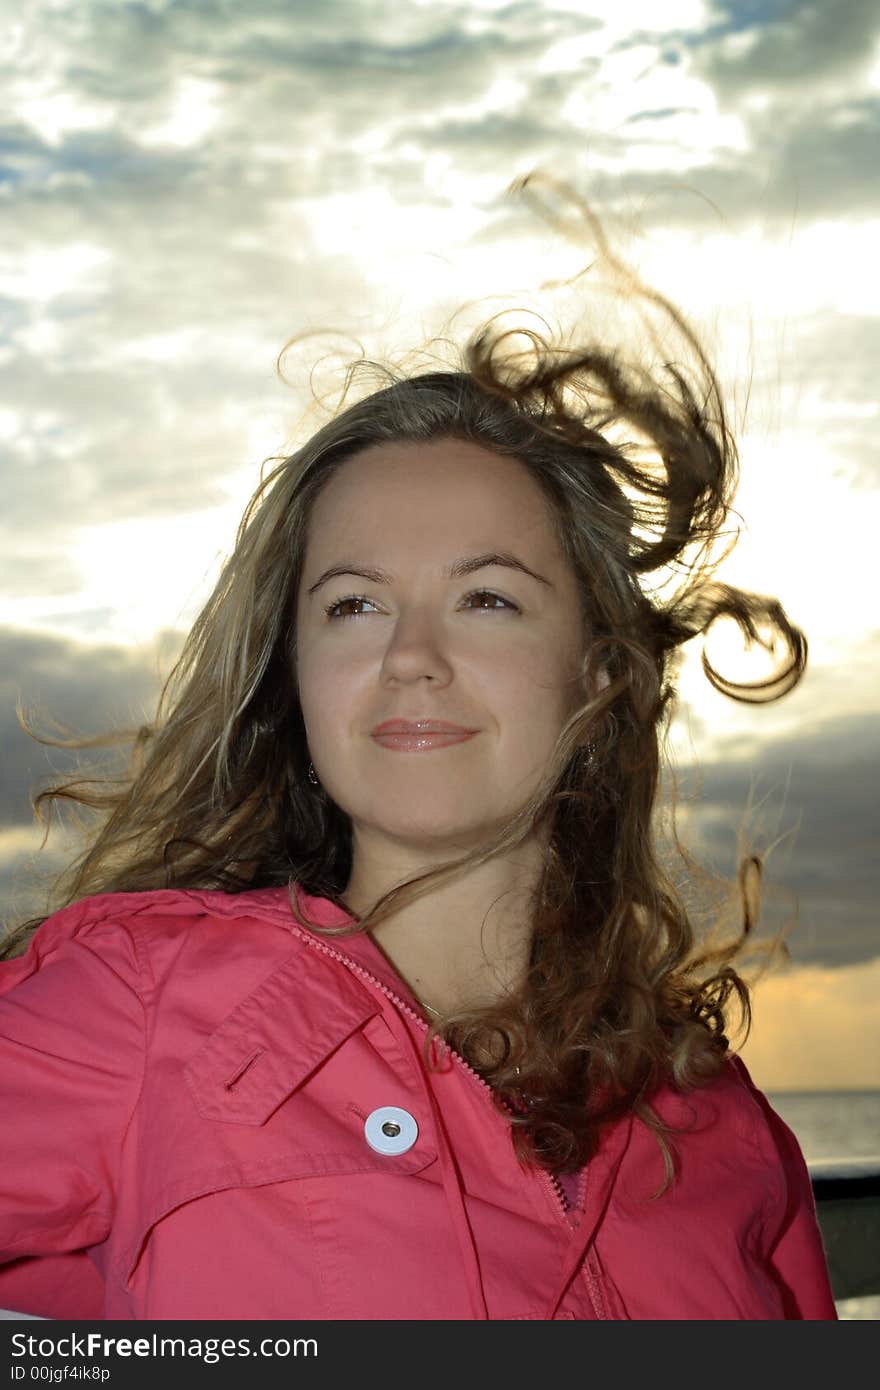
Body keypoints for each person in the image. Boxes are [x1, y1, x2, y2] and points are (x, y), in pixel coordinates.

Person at [0, 189, 837, 1320]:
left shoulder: (713, 1117)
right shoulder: (136, 1004)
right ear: (294, 682)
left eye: (486, 597)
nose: (411, 656)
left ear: (597, 673)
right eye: (352, 606)